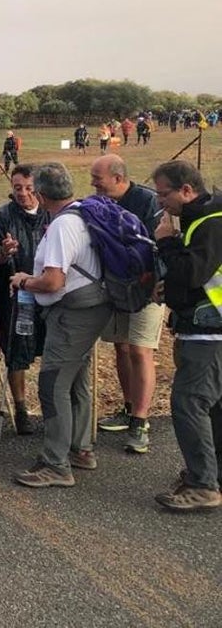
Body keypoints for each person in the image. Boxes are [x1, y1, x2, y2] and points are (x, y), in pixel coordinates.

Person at [8, 163, 111, 488]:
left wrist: (25, 281)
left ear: (40, 193)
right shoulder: (82, 213)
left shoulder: (63, 225)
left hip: (71, 314)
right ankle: (80, 449)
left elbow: (53, 281)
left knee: (53, 385)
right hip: (90, 308)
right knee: (76, 382)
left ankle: (56, 463)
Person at [149, 161, 222, 510]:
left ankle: (203, 484)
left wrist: (166, 244)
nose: (161, 202)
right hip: (207, 325)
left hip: (209, 332)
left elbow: (192, 272)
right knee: (213, 407)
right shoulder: (203, 219)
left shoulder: (209, 222)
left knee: (189, 403)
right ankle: (211, 475)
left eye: (165, 194)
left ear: (188, 190)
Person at [90, 155, 164, 453]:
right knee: (120, 346)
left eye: (98, 178)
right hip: (115, 288)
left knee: (140, 349)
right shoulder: (98, 202)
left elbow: (157, 245)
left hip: (146, 288)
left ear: (118, 178)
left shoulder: (147, 202)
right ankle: (129, 406)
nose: (93, 183)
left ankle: (140, 422)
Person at [0, 165, 49, 435]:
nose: (23, 193)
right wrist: (1, 253)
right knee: (16, 352)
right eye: (17, 187)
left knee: (52, 350)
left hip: (48, 292)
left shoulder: (52, 213)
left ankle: (52, 408)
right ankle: (21, 410)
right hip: (13, 297)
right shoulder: (1, 218)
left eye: (29, 188)